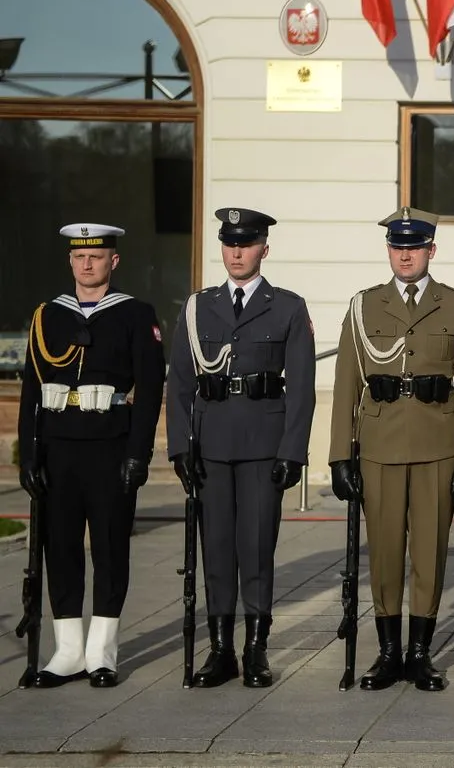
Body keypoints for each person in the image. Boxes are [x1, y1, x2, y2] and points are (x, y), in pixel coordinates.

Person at [327, 206, 454, 692]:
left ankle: (419, 654)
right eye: (398, 247)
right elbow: (345, 383)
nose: (405, 255)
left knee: (429, 550)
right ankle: (388, 653)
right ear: (389, 251)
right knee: (384, 552)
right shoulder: (364, 306)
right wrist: (339, 456)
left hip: (438, 444)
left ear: (430, 250)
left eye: (414, 247)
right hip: (379, 445)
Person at [166, 208, 316, 688]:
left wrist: (292, 451)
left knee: (255, 547)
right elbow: (179, 382)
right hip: (210, 443)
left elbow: (303, 387)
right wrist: (179, 446)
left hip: (262, 444)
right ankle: (220, 650)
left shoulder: (287, 307)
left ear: (263, 250)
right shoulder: (198, 307)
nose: (236, 252)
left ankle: (255, 649)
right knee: (216, 549)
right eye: (230, 243)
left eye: (246, 244)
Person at [17, 223, 165, 688]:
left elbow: (151, 390)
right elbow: (31, 391)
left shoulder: (136, 314)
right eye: (79, 256)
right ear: (70, 261)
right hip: (58, 448)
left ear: (113, 261)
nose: (87, 264)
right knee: (59, 548)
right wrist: (28, 456)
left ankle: (102, 652)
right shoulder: (47, 316)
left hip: (109, 446)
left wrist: (138, 454)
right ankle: (67, 651)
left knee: (109, 547)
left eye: (96, 256)